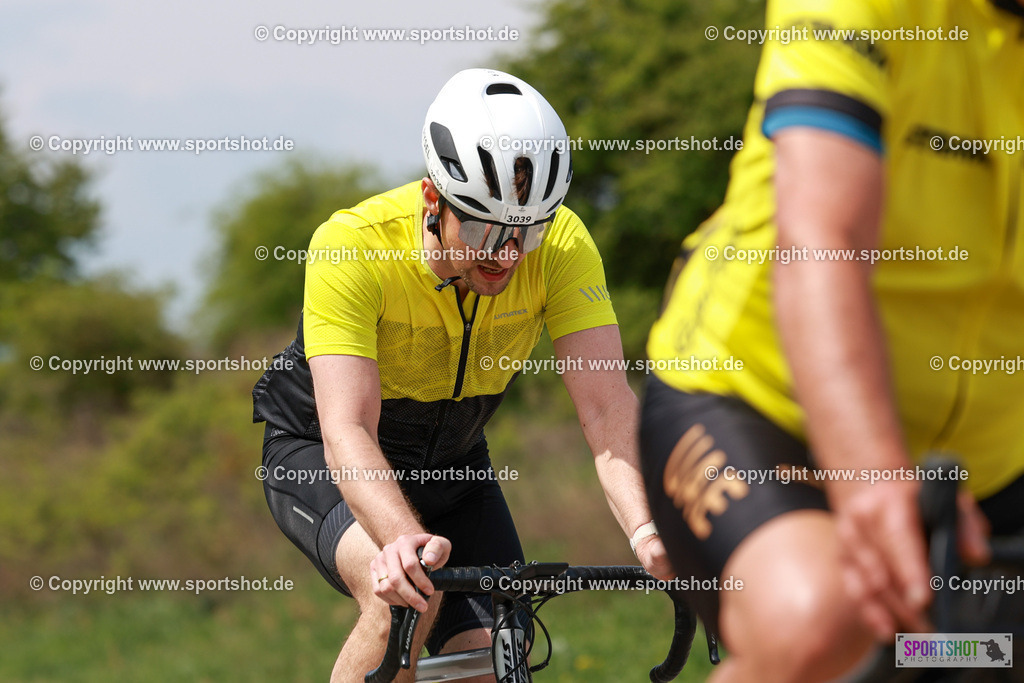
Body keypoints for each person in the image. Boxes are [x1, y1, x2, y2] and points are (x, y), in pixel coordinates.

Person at [640, 0, 1024, 681]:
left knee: (975, 652)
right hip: (751, 396)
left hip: (989, 456)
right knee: (827, 619)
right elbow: (824, 241)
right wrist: (875, 475)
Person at [252, 68, 670, 682]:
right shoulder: (352, 245)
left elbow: (607, 406)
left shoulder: (562, 248)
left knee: (498, 650)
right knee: (404, 599)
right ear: (432, 201)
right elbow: (349, 427)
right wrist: (400, 537)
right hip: (323, 448)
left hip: (453, 461)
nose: (506, 254)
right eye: (483, 228)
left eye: (526, 232)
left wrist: (649, 528)